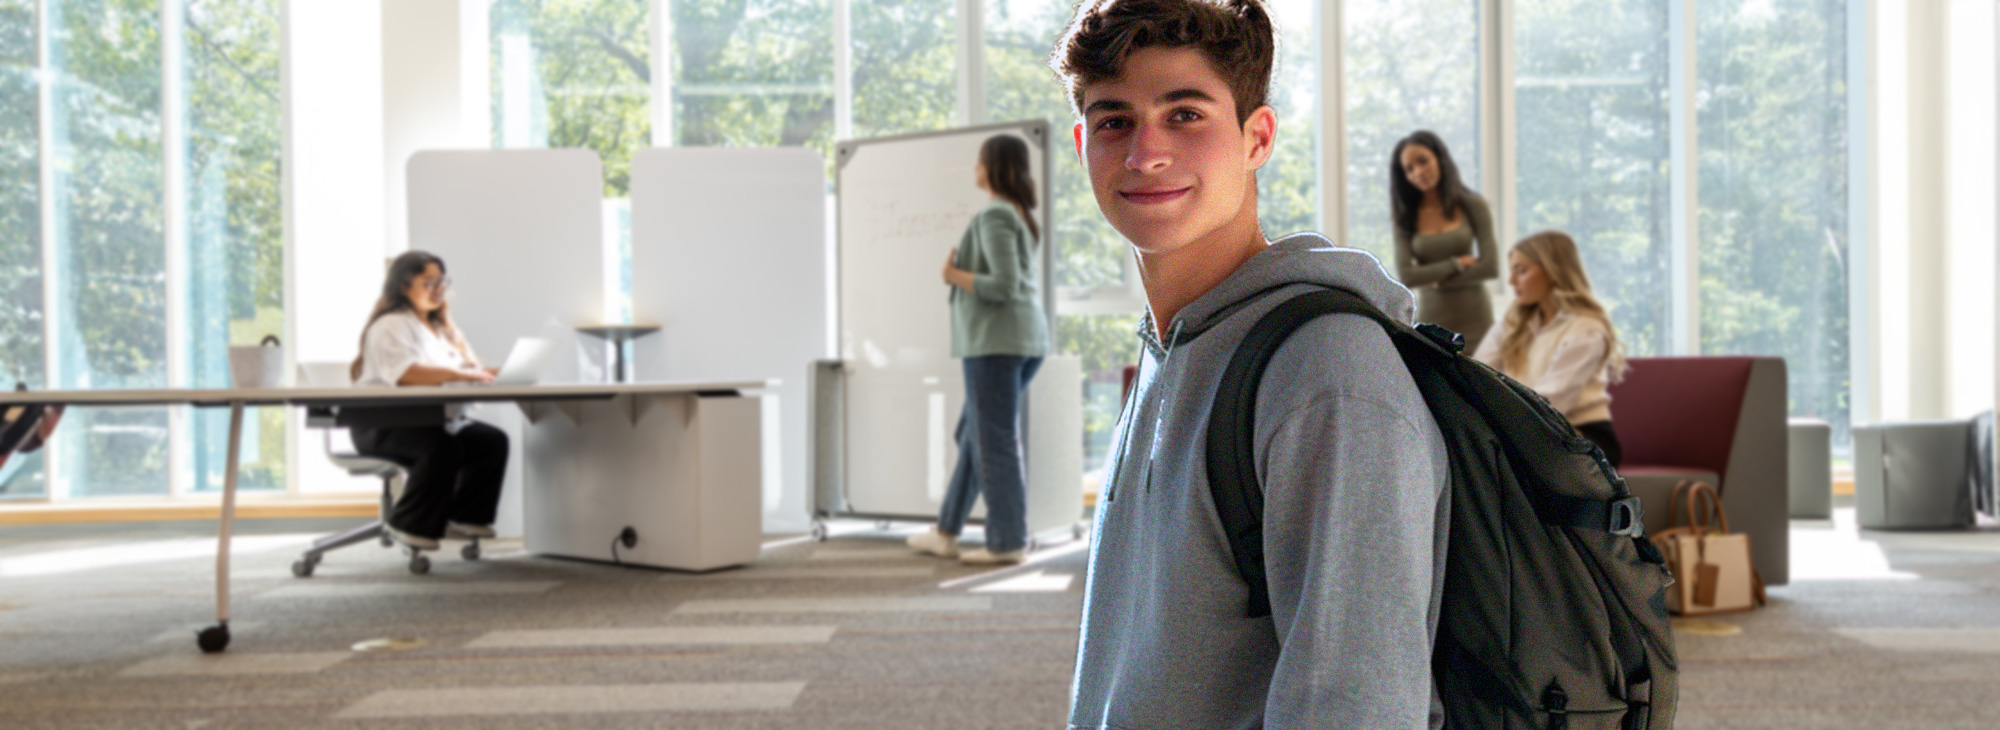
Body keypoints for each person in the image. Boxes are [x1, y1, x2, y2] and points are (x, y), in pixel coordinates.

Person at [1052, 1, 1450, 727]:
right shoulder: (1172, 351)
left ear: (1256, 136)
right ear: (1083, 143)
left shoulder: (1328, 371)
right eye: (1115, 121)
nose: (1145, 154)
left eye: (1185, 115)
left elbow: (1358, 704)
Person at [905, 134, 1052, 566]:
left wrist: (953, 274)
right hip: (1017, 341)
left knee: (994, 442)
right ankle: (946, 531)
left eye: (979, 161)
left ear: (994, 167)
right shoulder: (1018, 215)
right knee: (973, 435)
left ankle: (1007, 541)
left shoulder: (995, 216)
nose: (974, 169)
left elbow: (1004, 287)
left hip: (995, 344)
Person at [348, 251, 511, 551]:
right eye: (428, 282)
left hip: (430, 420)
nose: (438, 288)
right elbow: (407, 373)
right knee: (441, 448)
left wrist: (488, 373)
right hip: (382, 424)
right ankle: (407, 523)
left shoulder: (442, 329)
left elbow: (461, 371)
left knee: (490, 442)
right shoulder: (391, 325)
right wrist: (461, 375)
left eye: (442, 281)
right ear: (403, 286)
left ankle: (463, 517)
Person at [1473, 230, 1628, 467]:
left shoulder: (1586, 329)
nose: (1512, 281)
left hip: (1581, 435)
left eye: (1521, 270)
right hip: (1524, 426)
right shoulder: (1512, 324)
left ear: (1553, 271)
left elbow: (1549, 404)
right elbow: (1477, 374)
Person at [1390, 130, 1499, 352]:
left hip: (1477, 319)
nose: (1418, 172)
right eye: (1409, 169)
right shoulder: (1404, 219)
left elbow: (1490, 266)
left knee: (1488, 385)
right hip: (1433, 323)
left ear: (1439, 157)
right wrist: (1456, 265)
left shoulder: (1473, 205)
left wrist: (1438, 281)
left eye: (1423, 161)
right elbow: (1408, 275)